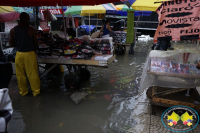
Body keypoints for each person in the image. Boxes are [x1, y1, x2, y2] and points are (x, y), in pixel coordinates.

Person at [9, 12, 40, 96]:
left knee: (20, 74)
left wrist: (19, 44)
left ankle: (23, 92)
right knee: (32, 73)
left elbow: (11, 44)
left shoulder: (13, 30)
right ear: (27, 19)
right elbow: (35, 43)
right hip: (29, 53)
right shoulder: (31, 30)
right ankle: (36, 91)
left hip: (18, 54)